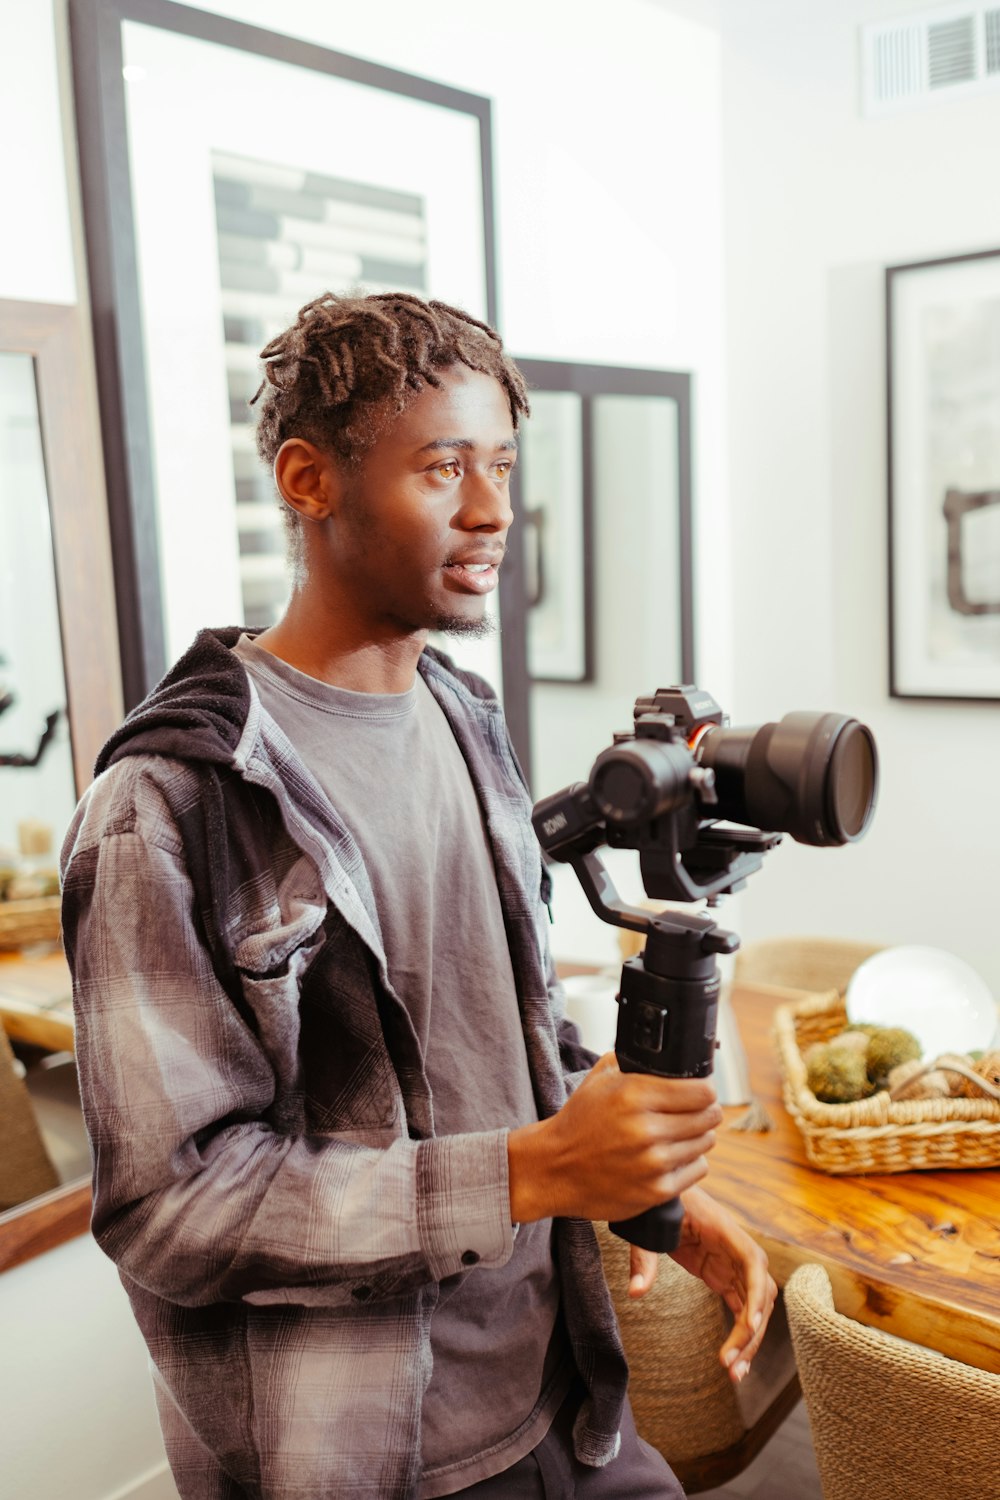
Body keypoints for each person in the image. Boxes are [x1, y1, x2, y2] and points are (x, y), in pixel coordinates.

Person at [61, 291, 776, 1500]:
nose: (494, 509)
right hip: (370, 1457)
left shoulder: (462, 713)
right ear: (308, 479)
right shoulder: (169, 804)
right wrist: (531, 1172)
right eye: (444, 467)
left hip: (569, 1400)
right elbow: (169, 1207)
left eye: (499, 464)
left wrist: (644, 1196)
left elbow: (506, 1024)